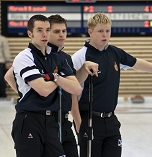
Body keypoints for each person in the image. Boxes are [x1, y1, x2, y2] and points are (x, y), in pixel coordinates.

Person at [71, 13, 152, 157]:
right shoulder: (80, 57)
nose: (105, 35)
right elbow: (71, 92)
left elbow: (137, 63)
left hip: (111, 120)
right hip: (89, 120)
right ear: (90, 32)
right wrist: (78, 123)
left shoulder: (115, 53)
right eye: (100, 31)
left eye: (108, 31)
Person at [5, 14, 99, 157]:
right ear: (30, 33)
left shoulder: (60, 58)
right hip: (32, 118)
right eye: (55, 31)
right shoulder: (26, 56)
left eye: (48, 30)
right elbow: (40, 88)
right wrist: (27, 93)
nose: (45, 34)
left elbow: (75, 88)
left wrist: (54, 77)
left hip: (56, 120)